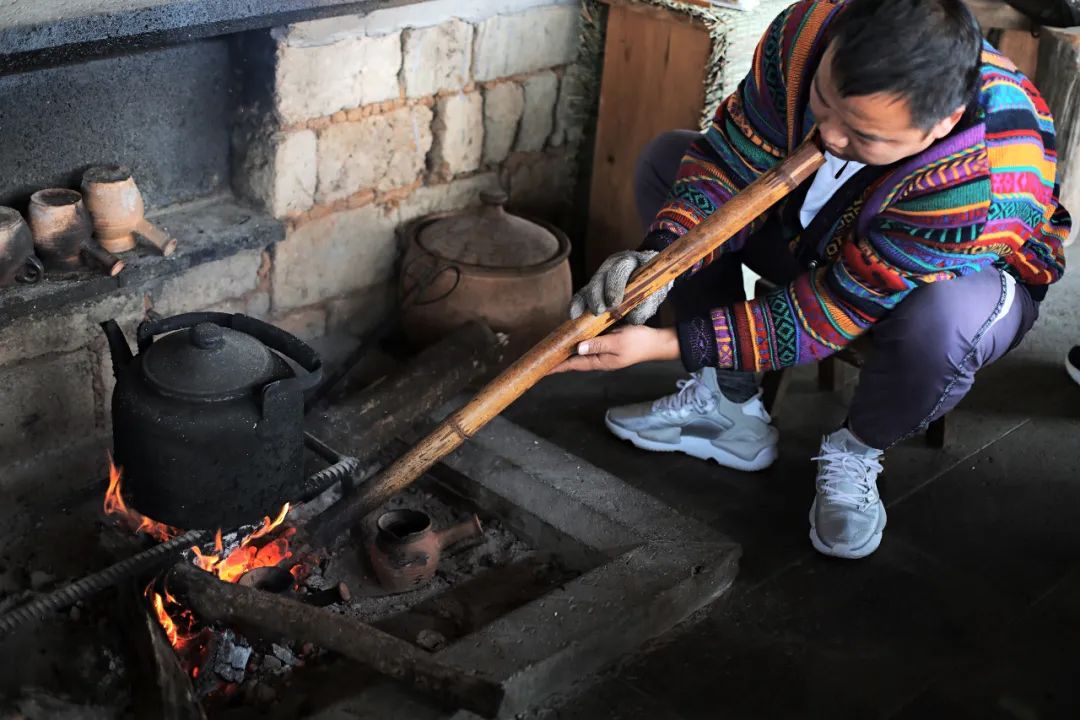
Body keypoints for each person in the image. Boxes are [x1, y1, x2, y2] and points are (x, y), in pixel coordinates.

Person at [554, 0, 1071, 559]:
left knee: (947, 322)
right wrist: (660, 258)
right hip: (819, 231)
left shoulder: (987, 179)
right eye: (822, 101)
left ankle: (858, 448)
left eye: (862, 134)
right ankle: (727, 403)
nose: (826, 136)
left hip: (944, 282)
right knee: (668, 159)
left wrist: (665, 344)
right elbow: (734, 156)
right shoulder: (808, 31)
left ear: (942, 123)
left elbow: (830, 309)